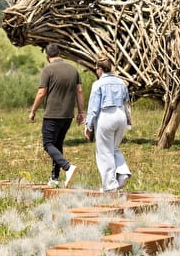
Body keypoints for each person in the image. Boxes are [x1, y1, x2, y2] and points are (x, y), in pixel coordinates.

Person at [29, 43, 84, 188]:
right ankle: (55, 178)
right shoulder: (73, 69)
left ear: (47, 56)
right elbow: (79, 91)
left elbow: (41, 93)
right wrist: (81, 112)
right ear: (59, 53)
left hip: (52, 114)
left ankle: (68, 167)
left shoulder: (48, 70)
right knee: (57, 145)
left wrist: (33, 110)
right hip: (68, 115)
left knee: (48, 144)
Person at [84, 56, 131, 192]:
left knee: (104, 152)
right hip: (121, 115)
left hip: (106, 116)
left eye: (96, 69)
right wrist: (128, 120)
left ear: (99, 69)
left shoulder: (98, 84)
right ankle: (122, 173)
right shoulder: (121, 82)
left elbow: (93, 108)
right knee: (113, 148)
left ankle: (110, 186)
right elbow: (126, 103)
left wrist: (89, 126)